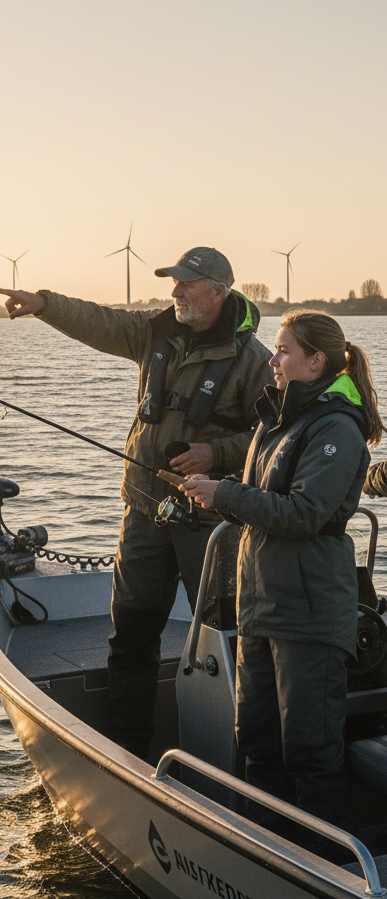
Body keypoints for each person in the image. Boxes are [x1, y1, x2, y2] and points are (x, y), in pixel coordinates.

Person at [0, 246, 271, 759]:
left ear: (218, 291)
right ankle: (129, 752)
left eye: (187, 283)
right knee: (130, 634)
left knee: (229, 637)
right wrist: (44, 304)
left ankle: (245, 759)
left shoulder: (255, 361)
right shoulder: (153, 331)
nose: (176, 291)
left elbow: (272, 437)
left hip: (210, 524)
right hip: (144, 512)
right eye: (174, 281)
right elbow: (99, 322)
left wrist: (216, 453)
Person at [181, 309, 383, 855]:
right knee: (257, 743)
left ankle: (331, 872)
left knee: (310, 753)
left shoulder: (336, 427)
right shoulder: (279, 419)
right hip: (261, 607)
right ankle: (264, 856)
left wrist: (225, 494)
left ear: (316, 362)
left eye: (284, 350)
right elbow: (264, 498)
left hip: (308, 615)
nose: (272, 360)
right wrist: (215, 489)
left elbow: (304, 512)